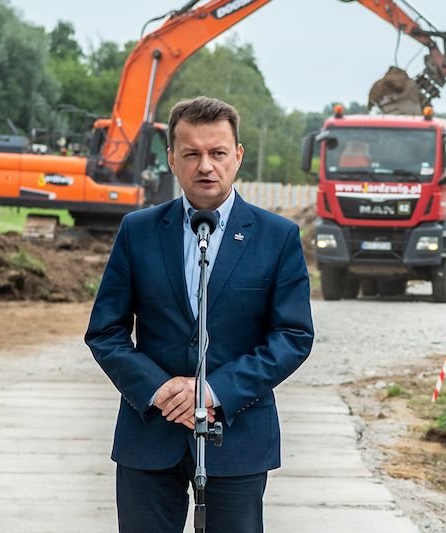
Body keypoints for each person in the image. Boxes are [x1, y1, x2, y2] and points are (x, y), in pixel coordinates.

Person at [85, 96, 314, 533]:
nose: (205, 166)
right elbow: (106, 331)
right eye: (191, 154)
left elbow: (292, 336)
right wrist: (159, 389)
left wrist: (214, 392)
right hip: (149, 434)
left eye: (217, 153)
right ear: (172, 158)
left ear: (238, 156)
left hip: (238, 435)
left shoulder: (278, 237)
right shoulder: (138, 231)